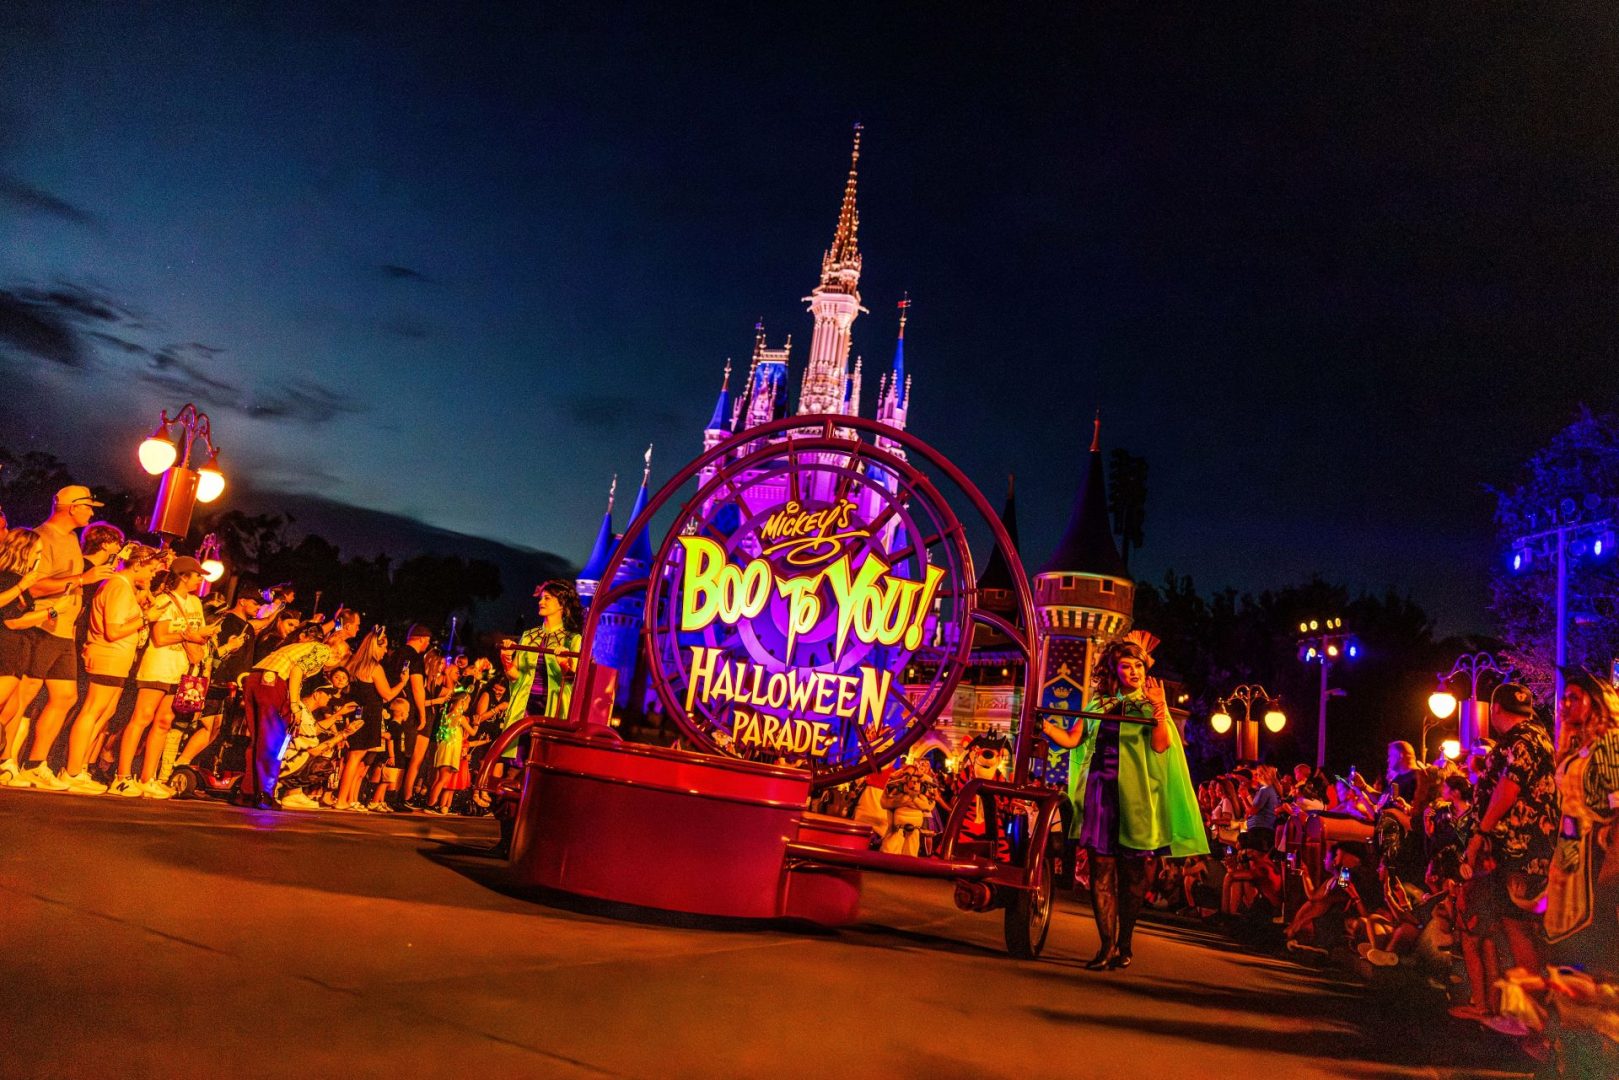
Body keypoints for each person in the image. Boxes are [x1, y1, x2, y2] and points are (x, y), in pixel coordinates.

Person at [1041, 633, 1207, 970]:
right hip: (1100, 794)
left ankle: (1125, 942)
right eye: (1127, 666)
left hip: (1137, 798)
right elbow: (1072, 739)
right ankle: (1106, 945)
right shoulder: (1098, 705)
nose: (1134, 672)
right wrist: (1043, 725)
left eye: (1138, 666)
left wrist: (1159, 709)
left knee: (1133, 875)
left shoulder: (1151, 705)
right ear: (1114, 670)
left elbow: (1161, 746)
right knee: (1101, 869)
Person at [8, 489, 119, 789]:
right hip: (41, 626)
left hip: (63, 631)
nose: (92, 513)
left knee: (66, 696)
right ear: (72, 508)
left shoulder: (71, 539)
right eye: (88, 507)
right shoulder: (41, 537)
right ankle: (7, 761)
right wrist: (82, 579)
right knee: (24, 694)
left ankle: (35, 764)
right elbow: (32, 587)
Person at [1460, 683, 1558, 1001]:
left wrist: (1480, 834)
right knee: (1515, 925)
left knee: (1517, 926)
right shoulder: (1538, 736)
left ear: (1495, 709)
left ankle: (1529, 1011)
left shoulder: (1519, 740)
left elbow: (1508, 787)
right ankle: (1518, 1005)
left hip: (1518, 849)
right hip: (1528, 847)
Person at [58, 543, 166, 793]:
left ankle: (80, 767)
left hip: (117, 658)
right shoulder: (118, 586)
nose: (152, 576)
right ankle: (71, 771)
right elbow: (113, 630)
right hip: (108, 655)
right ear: (137, 565)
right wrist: (145, 619)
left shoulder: (125, 587)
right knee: (92, 710)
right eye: (150, 570)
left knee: (104, 712)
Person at [112, 556, 214, 798]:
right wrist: (187, 635)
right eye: (196, 575)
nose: (200, 580)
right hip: (158, 666)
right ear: (183, 576)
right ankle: (122, 776)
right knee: (142, 717)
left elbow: (196, 634)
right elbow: (159, 637)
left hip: (181, 670)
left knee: (164, 722)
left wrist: (202, 636)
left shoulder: (195, 603)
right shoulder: (164, 600)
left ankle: (148, 777)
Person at [239, 611, 356, 810]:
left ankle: (248, 792)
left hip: (255, 678)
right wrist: (295, 705)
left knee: (258, 740)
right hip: (274, 682)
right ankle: (264, 794)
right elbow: (297, 670)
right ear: (338, 655)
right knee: (274, 742)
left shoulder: (301, 647)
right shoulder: (323, 651)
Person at [1545, 667, 1619, 975]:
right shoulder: (1578, 748)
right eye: (1564, 698)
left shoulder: (1610, 743)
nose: (1564, 705)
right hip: (1571, 847)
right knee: (1566, 933)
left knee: (1594, 931)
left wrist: (1612, 858)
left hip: (1597, 849)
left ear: (1595, 702)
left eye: (1573, 698)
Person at [174, 584, 286, 771]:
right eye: (255, 603)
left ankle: (184, 763)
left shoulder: (246, 625)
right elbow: (211, 652)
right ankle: (179, 763)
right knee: (206, 726)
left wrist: (277, 607)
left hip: (231, 686)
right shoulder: (226, 621)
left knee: (215, 728)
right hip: (216, 682)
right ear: (242, 601)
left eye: (260, 604)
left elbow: (263, 622)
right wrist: (229, 649)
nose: (258, 607)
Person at [334, 626, 407, 811]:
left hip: (356, 712)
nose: (385, 651)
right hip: (369, 715)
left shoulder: (353, 664)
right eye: (384, 647)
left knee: (354, 758)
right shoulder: (374, 667)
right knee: (355, 758)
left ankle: (347, 798)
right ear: (376, 646)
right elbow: (387, 695)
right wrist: (403, 682)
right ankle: (341, 799)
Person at [0, 528, 51, 783]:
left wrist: (50, 612)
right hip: (5, 645)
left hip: (19, 646)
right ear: (24, 551)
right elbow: (8, 617)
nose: (39, 557)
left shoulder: (23, 582)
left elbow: (21, 618)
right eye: (37, 552)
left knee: (11, 708)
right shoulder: (8, 577)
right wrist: (22, 585)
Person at [427, 691, 473, 813]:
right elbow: (472, 732)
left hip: (444, 748)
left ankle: (431, 802)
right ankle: (431, 804)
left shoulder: (447, 716)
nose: (468, 706)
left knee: (439, 778)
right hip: (450, 750)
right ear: (462, 702)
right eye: (467, 703)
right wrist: (477, 723)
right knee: (443, 779)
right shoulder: (460, 718)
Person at [1236, 767, 1279, 852]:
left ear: (1264, 776)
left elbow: (1253, 811)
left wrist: (1244, 797)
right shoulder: (1264, 790)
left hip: (1260, 829)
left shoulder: (1265, 790)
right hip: (1258, 827)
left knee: (1246, 850)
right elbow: (1253, 808)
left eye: (1257, 774)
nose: (1254, 777)